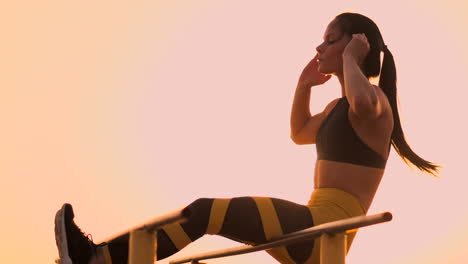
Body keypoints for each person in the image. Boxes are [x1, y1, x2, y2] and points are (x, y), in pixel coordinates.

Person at [54, 12, 440, 264]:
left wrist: (354, 60)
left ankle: (96, 259)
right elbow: (299, 134)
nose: (319, 47)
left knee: (206, 211)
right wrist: (303, 84)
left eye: (330, 40)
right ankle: (99, 257)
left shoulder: (375, 101)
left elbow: (361, 100)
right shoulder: (333, 110)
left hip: (324, 231)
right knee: (203, 213)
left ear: (356, 44)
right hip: (311, 225)